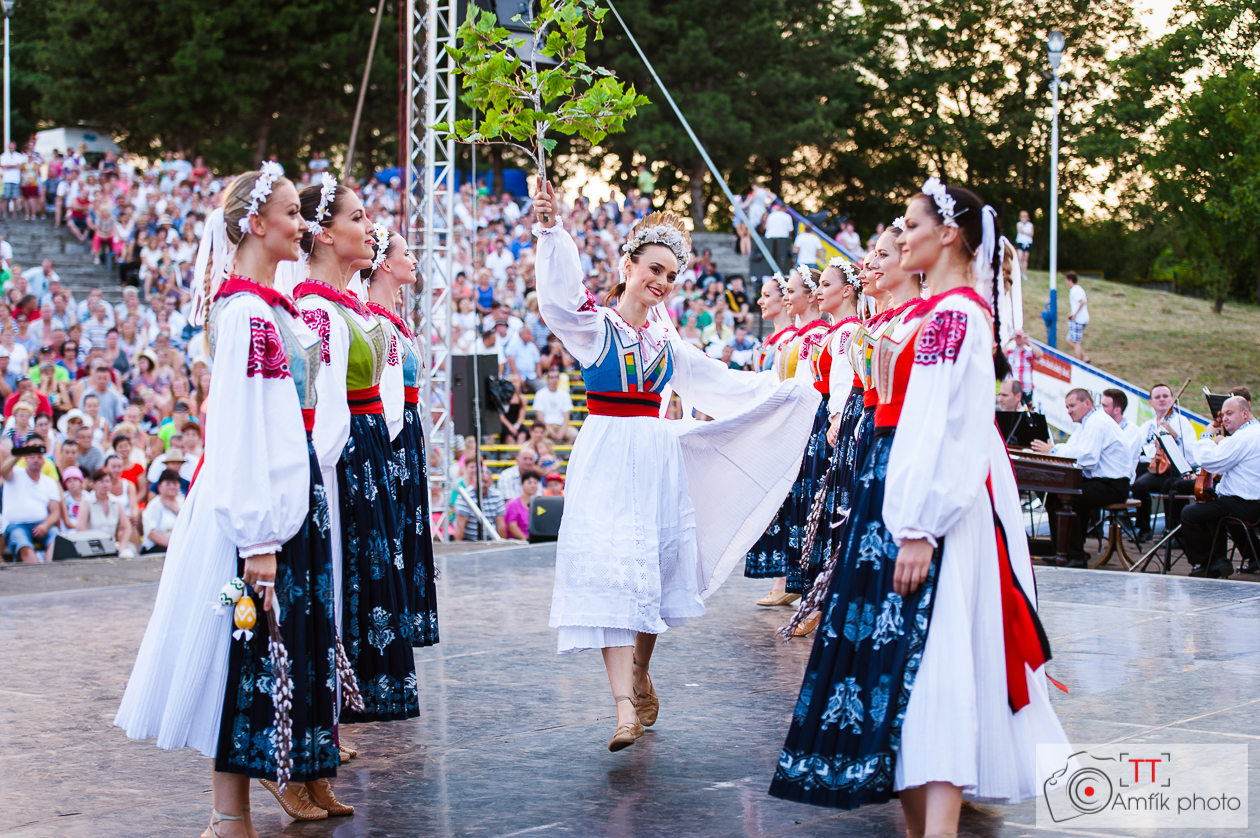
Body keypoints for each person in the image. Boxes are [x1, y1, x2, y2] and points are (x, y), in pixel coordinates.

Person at [772, 180, 1068, 836]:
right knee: (908, 656)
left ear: (948, 233)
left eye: (911, 225)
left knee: (933, 655)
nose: (902, 237)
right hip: (902, 501)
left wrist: (918, 528)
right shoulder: (938, 315)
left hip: (929, 513)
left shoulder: (955, 318)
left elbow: (948, 430)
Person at [532, 178, 819, 752]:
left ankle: (640, 671)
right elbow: (559, 298)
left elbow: (720, 382)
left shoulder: (668, 343)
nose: (661, 282)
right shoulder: (596, 328)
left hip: (657, 456)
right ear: (629, 264)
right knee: (616, 570)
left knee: (652, 571)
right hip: (608, 455)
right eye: (653, 269)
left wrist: (785, 390)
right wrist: (551, 229)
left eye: (670, 274)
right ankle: (622, 708)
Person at [115, 167, 350, 831]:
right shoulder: (247, 314)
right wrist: (258, 538)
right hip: (254, 521)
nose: (300, 225)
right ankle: (228, 817)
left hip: (280, 509)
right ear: (254, 223)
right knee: (240, 647)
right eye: (290, 213)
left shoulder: (268, 308)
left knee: (254, 651)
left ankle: (243, 808)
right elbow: (241, 428)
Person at [297, 180, 419, 730]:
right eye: (358, 217)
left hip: (362, 443)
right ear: (324, 234)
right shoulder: (318, 311)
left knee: (360, 570)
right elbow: (322, 403)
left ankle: (347, 693)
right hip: (344, 450)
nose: (371, 228)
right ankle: (333, 698)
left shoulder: (343, 306)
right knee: (344, 569)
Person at [781, 257, 866, 638]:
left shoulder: (847, 332)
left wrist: (835, 418)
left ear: (847, 291)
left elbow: (844, 379)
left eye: (826, 285)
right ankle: (816, 590)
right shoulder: (834, 333)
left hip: (834, 417)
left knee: (831, 501)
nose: (819, 291)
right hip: (823, 416)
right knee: (821, 500)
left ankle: (824, 594)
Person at [364, 225, 440, 648]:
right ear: (384, 265)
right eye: (405, 253)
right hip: (394, 433)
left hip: (408, 430)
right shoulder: (377, 322)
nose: (413, 260)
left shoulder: (394, 321)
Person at [1033, 388, 1132, 566]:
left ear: (1087, 403)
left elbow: (1088, 458)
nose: (1069, 411)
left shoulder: (1096, 422)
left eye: (1072, 406)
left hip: (1114, 485)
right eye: (1067, 407)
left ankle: (1075, 556)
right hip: (1103, 481)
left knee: (1065, 497)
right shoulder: (1088, 423)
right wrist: (1054, 451)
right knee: (1053, 494)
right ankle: (1061, 551)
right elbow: (1072, 449)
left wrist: (1053, 451)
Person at [1182, 396, 1260, 578]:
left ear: (1245, 414)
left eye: (1229, 414)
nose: (1224, 419)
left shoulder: (1244, 437)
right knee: (1211, 505)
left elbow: (1212, 463)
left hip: (1246, 504)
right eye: (1223, 414)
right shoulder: (1253, 432)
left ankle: (1207, 564)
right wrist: (1222, 442)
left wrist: (1207, 437)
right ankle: (1223, 560)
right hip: (1250, 502)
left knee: (1190, 514)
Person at [1130, 382, 1200, 541]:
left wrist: (1175, 436)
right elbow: (1139, 450)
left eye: (1165, 396)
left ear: (1172, 400)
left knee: (1146, 485)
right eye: (1158, 397)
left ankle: (1170, 531)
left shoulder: (1182, 422)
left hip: (1174, 470)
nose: (1162, 399)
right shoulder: (1147, 425)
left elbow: (1192, 454)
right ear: (1150, 402)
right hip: (1154, 468)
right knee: (1135, 480)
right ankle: (1143, 528)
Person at [0, 441, 61, 563]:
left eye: (39, 457)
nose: (35, 460)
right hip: (16, 525)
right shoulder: (15, 473)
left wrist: (46, 525)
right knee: (23, 544)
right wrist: (20, 454)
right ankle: (38, 572)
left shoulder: (50, 482)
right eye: (32, 457)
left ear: (44, 461)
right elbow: (3, 470)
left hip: (42, 525)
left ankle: (50, 569)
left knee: (56, 540)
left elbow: (55, 512)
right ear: (25, 459)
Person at [453, 465, 506, 541]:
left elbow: (500, 524)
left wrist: (502, 544)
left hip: (491, 539)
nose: (482, 485)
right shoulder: (464, 496)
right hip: (469, 540)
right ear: (472, 481)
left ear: (491, 482)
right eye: (479, 481)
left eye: (486, 482)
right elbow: (460, 525)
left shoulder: (497, 496)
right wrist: (458, 545)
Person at [140, 469, 182, 553]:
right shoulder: (154, 505)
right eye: (168, 484)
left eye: (175, 484)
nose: (172, 487)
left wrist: (177, 510)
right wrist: (173, 546)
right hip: (157, 546)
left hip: (179, 544)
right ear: (159, 487)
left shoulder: (183, 502)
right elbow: (151, 533)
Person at [532, 368, 578, 443]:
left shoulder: (565, 395)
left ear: (559, 379)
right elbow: (539, 417)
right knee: (539, 435)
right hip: (546, 426)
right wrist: (550, 430)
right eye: (551, 377)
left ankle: (565, 451)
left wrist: (562, 431)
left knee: (575, 435)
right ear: (547, 379)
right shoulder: (540, 394)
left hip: (561, 425)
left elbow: (566, 417)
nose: (554, 380)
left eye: (556, 377)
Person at [1003, 330, 1041, 406]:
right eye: (1017, 336)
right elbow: (1000, 355)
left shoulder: (1029, 351)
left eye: (1020, 336)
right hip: (1013, 389)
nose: (1019, 338)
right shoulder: (1010, 352)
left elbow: (1040, 354)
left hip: (1026, 389)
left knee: (1027, 410)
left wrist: (1028, 342)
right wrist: (1009, 340)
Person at [504, 469, 542, 540]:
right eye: (529, 483)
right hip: (518, 542)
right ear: (522, 484)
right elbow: (512, 526)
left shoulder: (541, 503)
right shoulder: (513, 504)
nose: (533, 485)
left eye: (535, 483)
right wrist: (526, 540)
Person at [504, 326, 542, 392]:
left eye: (530, 333)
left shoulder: (532, 346)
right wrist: (518, 376)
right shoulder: (513, 345)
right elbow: (511, 363)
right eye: (528, 333)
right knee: (513, 385)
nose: (530, 335)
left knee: (542, 385)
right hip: (517, 376)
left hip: (531, 376)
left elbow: (538, 361)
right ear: (521, 334)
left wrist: (539, 373)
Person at [1065, 271, 1089, 362]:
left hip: (1079, 320)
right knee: (1069, 339)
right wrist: (1072, 313)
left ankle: (1078, 362)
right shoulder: (1078, 289)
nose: (1066, 282)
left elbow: (1082, 302)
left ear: (1070, 280)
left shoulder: (1075, 290)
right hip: (1081, 318)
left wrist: (1075, 314)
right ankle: (1084, 358)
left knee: (1076, 342)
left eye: (1066, 280)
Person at [0, 141, 26, 220]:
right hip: (7, 179)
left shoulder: (18, 156)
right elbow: (3, 166)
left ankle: (14, 213)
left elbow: (20, 166)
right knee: (5, 197)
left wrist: (9, 166)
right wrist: (15, 166)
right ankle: (4, 213)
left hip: (15, 179)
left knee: (15, 197)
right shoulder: (4, 155)